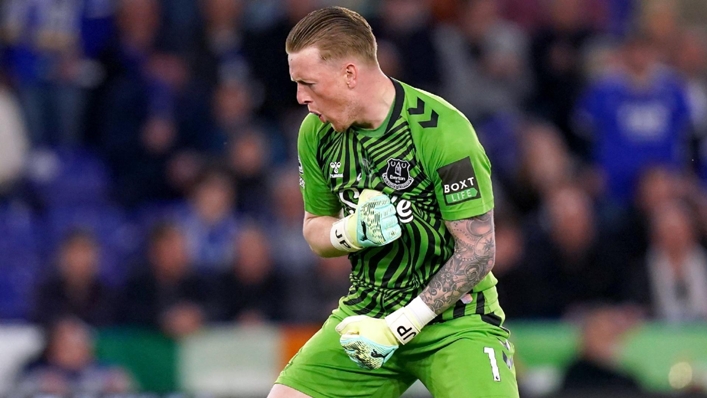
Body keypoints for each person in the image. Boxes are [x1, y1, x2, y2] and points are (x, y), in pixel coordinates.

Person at [268, 6, 519, 398]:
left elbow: (478, 250)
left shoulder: (443, 132)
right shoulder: (315, 134)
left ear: (349, 73)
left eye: (309, 83)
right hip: (366, 315)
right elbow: (315, 228)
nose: (300, 98)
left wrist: (401, 326)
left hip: (454, 320)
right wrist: (349, 231)